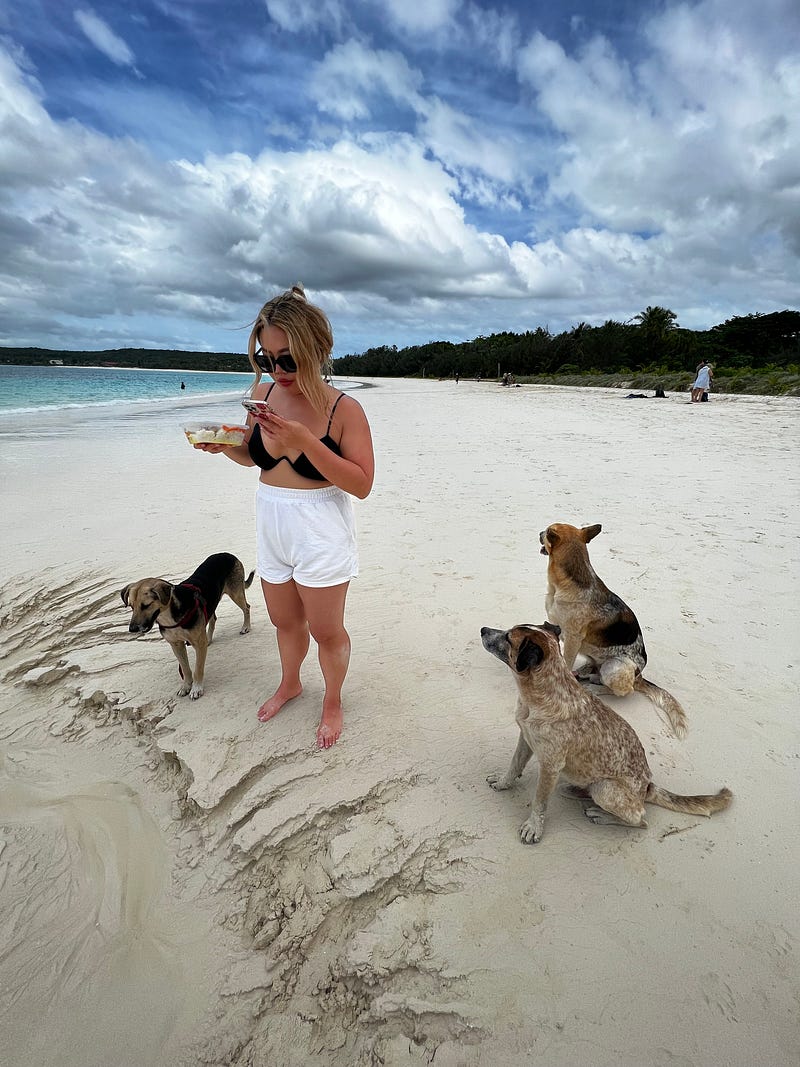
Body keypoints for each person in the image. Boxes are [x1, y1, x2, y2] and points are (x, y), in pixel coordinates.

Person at [193, 284, 375, 748]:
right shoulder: (263, 391)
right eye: (267, 357)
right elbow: (258, 459)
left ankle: (332, 700)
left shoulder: (343, 409)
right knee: (283, 621)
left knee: (325, 629)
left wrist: (305, 441)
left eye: (289, 359)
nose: (278, 369)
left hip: (320, 529)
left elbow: (362, 484)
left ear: (318, 349)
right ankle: (291, 683)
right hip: (272, 522)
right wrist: (225, 447)